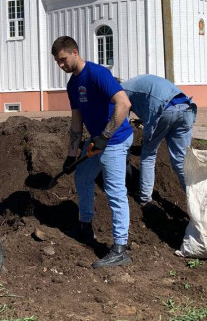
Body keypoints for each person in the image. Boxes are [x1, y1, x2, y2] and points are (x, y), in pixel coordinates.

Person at [52, 36, 133, 269]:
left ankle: (120, 248)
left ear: (75, 52)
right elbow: (76, 121)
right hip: (98, 139)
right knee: (83, 176)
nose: (61, 65)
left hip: (115, 138)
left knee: (114, 190)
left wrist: (105, 136)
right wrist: (70, 154)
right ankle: (85, 227)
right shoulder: (72, 85)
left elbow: (124, 104)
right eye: (58, 62)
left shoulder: (98, 74)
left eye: (63, 60)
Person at [121, 74, 197, 205]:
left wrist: (125, 156)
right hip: (186, 107)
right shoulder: (136, 82)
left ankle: (145, 199)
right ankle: (197, 201)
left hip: (164, 110)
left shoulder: (121, 91)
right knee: (181, 162)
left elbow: (122, 126)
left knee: (148, 154)